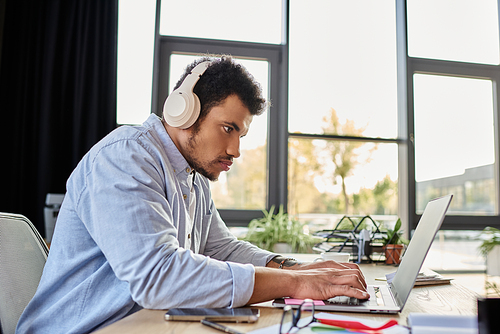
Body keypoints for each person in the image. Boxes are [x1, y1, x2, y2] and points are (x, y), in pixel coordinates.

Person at [16, 56, 368, 334]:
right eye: (228, 128)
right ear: (184, 110)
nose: (235, 149)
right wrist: (295, 283)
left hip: (144, 326)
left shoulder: (191, 174)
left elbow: (222, 248)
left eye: (241, 136)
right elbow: (160, 276)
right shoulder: (125, 158)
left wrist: (297, 267)